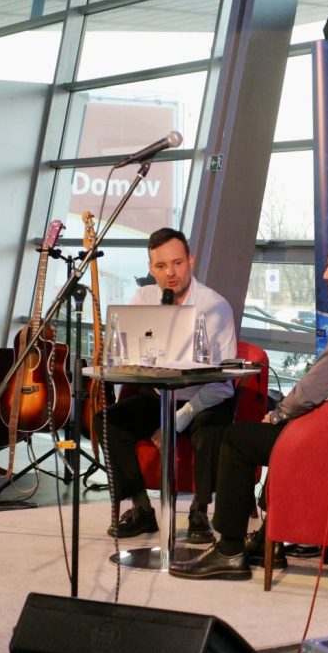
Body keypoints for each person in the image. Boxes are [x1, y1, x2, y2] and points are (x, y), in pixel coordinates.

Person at [169, 233, 328, 580]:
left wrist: (280, 413)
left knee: (236, 439)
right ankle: (267, 539)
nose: (326, 275)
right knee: (282, 428)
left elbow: (318, 383)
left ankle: (229, 550)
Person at [99, 227, 237, 541]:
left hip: (204, 396)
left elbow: (223, 385)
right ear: (151, 269)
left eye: (177, 263)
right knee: (107, 421)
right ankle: (142, 508)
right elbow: (125, 354)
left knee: (211, 429)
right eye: (161, 266)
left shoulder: (215, 307)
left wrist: (176, 421)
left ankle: (200, 512)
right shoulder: (144, 298)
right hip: (158, 394)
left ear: (190, 261)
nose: (170, 273)